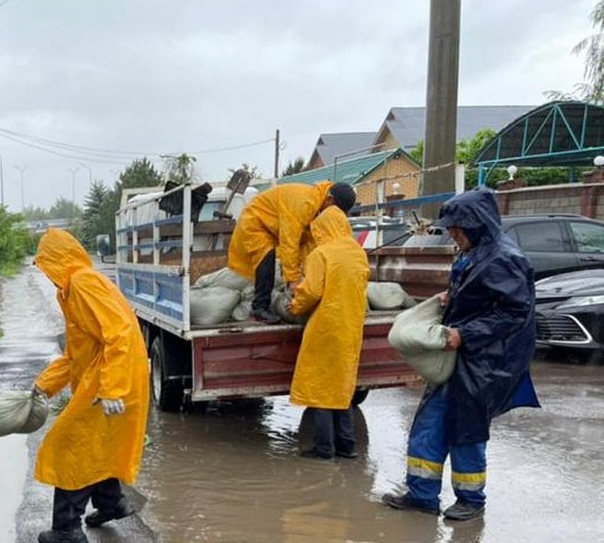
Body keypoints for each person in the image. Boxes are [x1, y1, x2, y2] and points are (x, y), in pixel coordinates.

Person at [382, 188, 539, 521]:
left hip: (485, 361)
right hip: (461, 359)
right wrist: (449, 298)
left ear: (477, 224)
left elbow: (513, 313)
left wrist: (464, 334)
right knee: (430, 424)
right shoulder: (475, 252)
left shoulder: (503, 258)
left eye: (457, 227)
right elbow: (479, 297)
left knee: (466, 430)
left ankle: (471, 499)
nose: (452, 233)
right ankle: (422, 495)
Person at [29, 229, 150, 543]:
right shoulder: (70, 290)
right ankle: (111, 503)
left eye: (45, 267)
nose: (46, 276)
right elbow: (76, 353)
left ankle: (67, 529)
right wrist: (44, 385)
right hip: (108, 373)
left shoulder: (83, 283)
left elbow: (120, 334)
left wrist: (113, 389)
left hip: (111, 376)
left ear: (56, 262)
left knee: (72, 446)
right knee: (98, 442)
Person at [287, 206, 370, 459]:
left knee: (321, 390)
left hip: (326, 328)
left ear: (321, 229)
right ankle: (347, 446)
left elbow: (311, 291)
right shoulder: (357, 253)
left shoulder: (320, 254)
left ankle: (324, 448)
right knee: (342, 389)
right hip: (351, 327)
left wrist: (294, 305)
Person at [227, 181, 358, 324]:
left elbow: (307, 244)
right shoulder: (304, 203)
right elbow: (289, 243)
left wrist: (307, 274)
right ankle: (259, 308)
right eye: (334, 210)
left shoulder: (319, 208)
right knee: (266, 257)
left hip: (274, 227)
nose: (333, 215)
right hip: (256, 222)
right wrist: (293, 280)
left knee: (288, 263)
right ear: (329, 199)